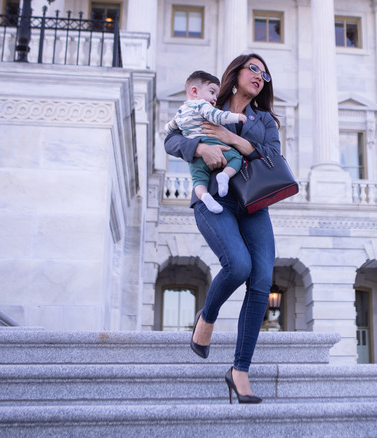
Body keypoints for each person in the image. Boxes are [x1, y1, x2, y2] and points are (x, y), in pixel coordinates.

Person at [164, 53, 279, 404]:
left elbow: (273, 157)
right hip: (213, 198)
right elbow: (170, 139)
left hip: (253, 204)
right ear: (238, 72)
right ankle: (207, 318)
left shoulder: (265, 121)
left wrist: (235, 141)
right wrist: (198, 145)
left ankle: (239, 371)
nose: (260, 76)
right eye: (254, 69)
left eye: (265, 73)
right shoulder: (206, 102)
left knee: (261, 279)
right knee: (238, 265)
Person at [164, 70, 247, 214]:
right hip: (209, 141)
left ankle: (205, 196)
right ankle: (225, 175)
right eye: (212, 92)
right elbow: (218, 117)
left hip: (194, 158)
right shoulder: (202, 105)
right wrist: (237, 117)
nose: (215, 98)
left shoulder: (180, 112)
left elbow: (169, 128)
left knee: (198, 180)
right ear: (194, 91)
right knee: (236, 158)